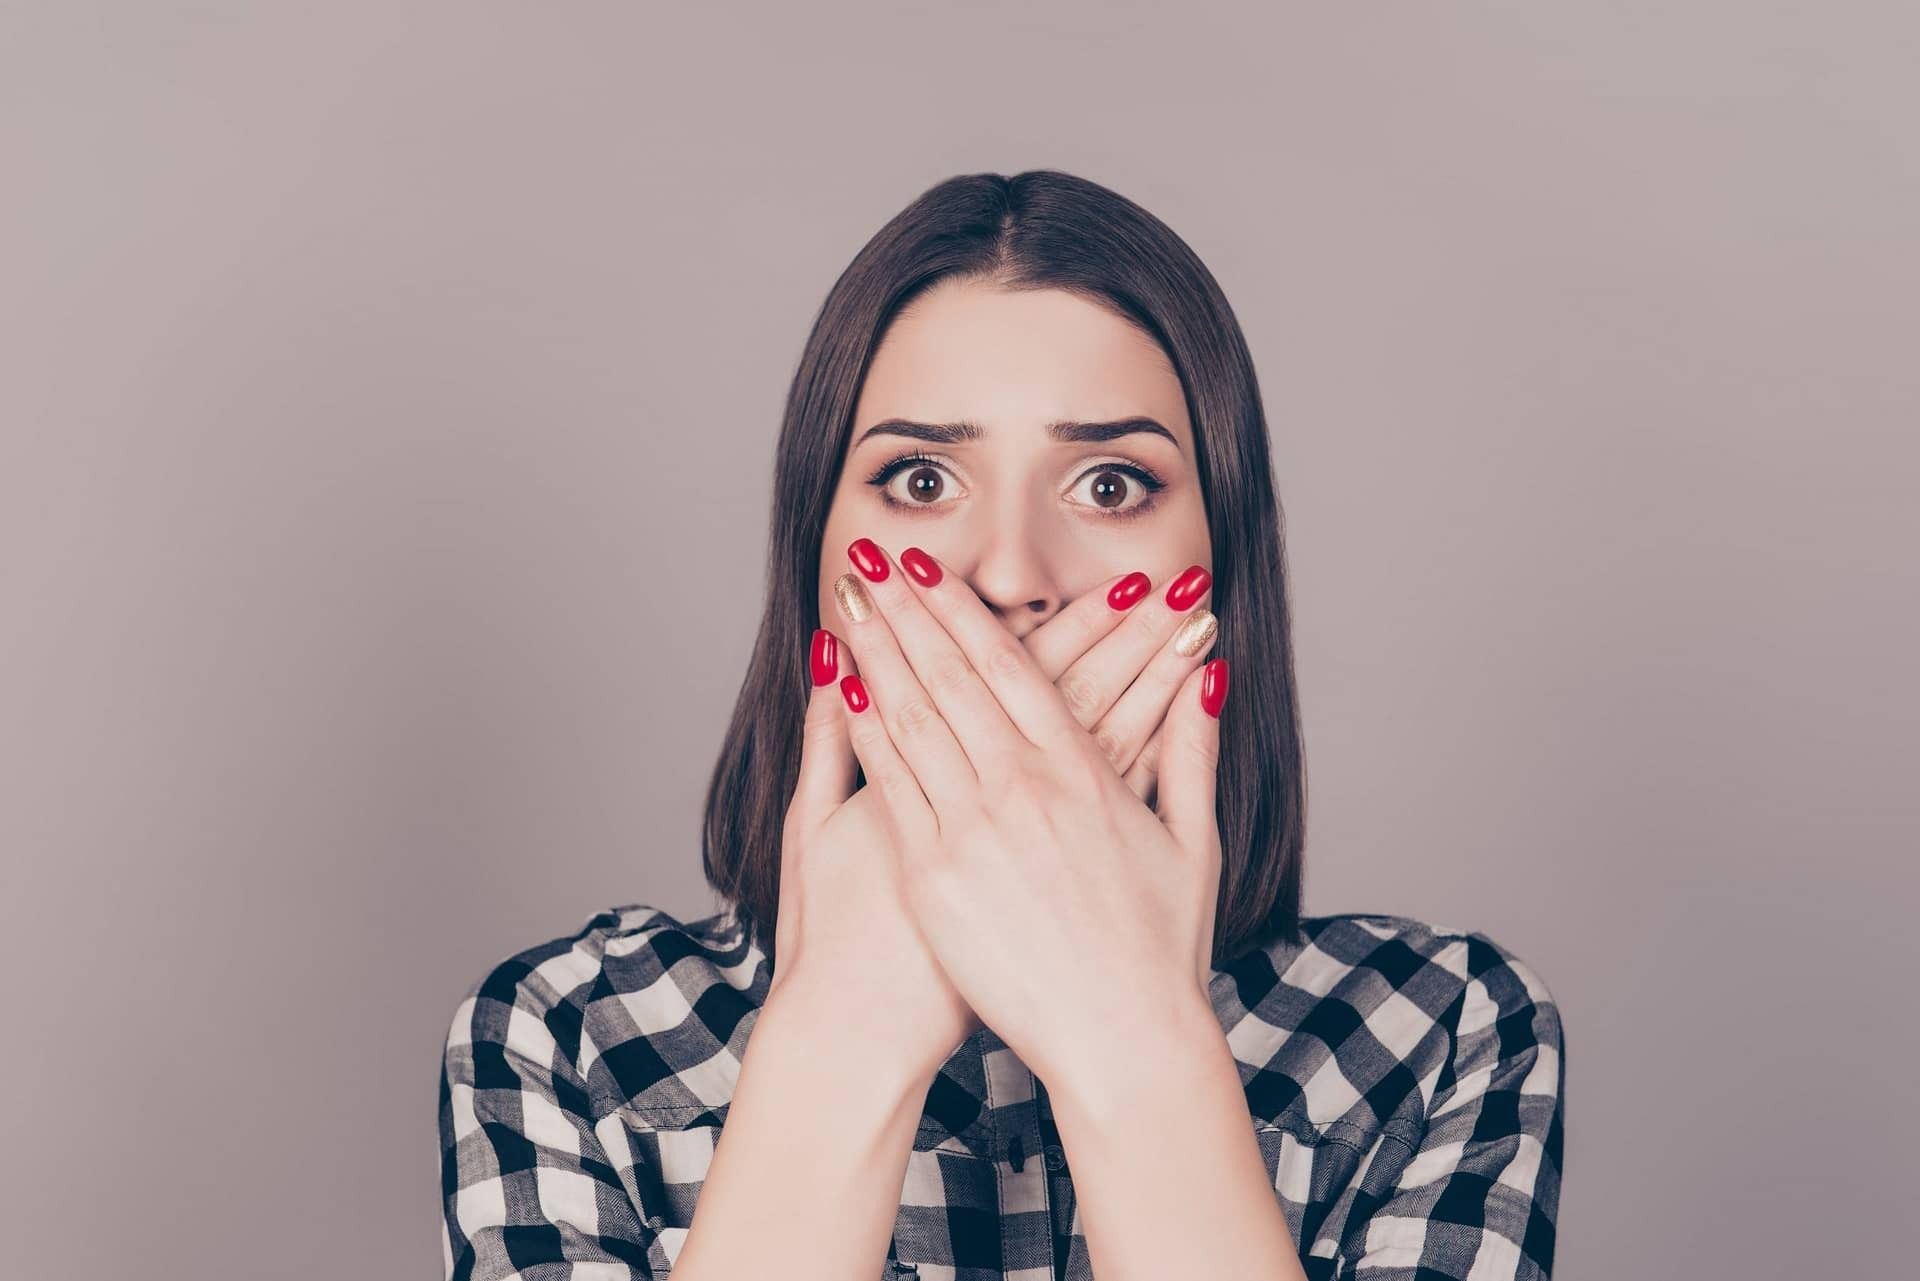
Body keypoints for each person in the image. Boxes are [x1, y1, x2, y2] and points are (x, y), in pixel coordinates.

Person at [436, 169, 1566, 1281]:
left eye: (1110, 485)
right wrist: (843, 1038)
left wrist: (1131, 1034)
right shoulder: (566, 1036)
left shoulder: (1437, 1030)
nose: (1012, 574)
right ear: (815, 557)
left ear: (1220, 563)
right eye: (922, 481)